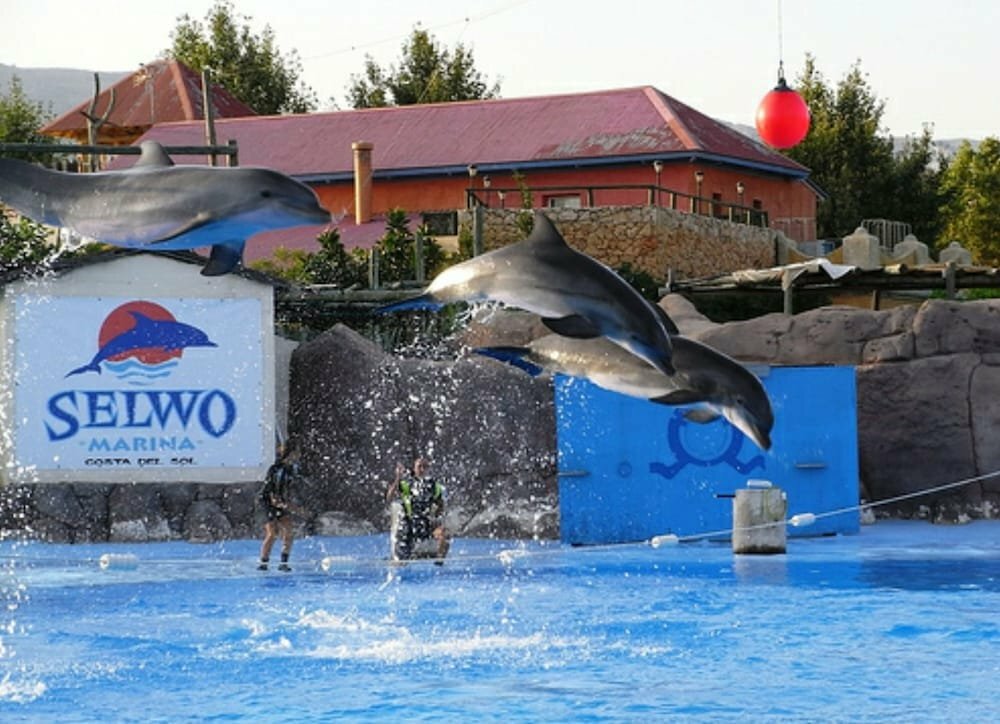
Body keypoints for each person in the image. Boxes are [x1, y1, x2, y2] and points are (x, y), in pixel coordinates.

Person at [386, 456, 449, 563]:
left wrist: (437, 516)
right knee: (400, 562)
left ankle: (439, 562)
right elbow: (389, 497)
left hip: (425, 523)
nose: (422, 470)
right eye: (419, 467)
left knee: (445, 534)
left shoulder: (433, 485)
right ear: (414, 468)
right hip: (408, 525)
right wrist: (398, 478)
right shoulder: (406, 483)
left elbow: (440, 503)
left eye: (425, 467)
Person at [258, 443, 301, 571]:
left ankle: (283, 563)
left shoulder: (291, 469)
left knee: (289, 531)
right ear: (291, 453)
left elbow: (287, 490)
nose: (299, 455)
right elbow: (271, 492)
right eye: (297, 452)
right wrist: (281, 503)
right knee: (272, 533)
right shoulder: (276, 469)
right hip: (266, 501)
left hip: (280, 501)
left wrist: (288, 504)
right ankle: (263, 563)